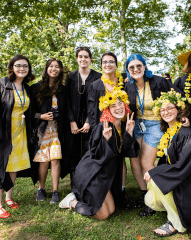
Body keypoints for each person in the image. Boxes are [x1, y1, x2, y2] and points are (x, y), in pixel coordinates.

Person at [143, 89, 191, 237]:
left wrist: (155, 172)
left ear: (179, 110)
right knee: (150, 198)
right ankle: (175, 210)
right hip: (180, 178)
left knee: (156, 179)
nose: (166, 112)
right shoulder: (169, 134)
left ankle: (176, 222)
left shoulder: (187, 134)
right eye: (162, 109)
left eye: (170, 108)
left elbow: (185, 165)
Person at [59, 89, 139, 220]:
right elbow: (96, 156)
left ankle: (80, 197)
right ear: (107, 110)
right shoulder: (102, 128)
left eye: (120, 104)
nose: (118, 108)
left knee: (111, 210)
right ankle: (72, 202)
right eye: (113, 105)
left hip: (106, 176)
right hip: (93, 175)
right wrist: (106, 141)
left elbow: (128, 153)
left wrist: (129, 133)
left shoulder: (125, 126)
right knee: (103, 215)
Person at [123, 53, 182, 216]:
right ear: (128, 70)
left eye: (138, 66)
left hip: (156, 123)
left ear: (144, 66)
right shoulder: (128, 85)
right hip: (137, 125)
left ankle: (159, 198)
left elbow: (177, 97)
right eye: (131, 67)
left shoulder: (159, 81)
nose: (136, 69)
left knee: (146, 162)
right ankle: (145, 196)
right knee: (134, 161)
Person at [0, 54, 36, 219]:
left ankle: (8, 197)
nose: (22, 68)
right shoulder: (0, 85)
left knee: (14, 165)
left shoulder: (26, 88)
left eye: (25, 66)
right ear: (12, 67)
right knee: (1, 167)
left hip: (20, 133)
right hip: (2, 134)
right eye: (18, 65)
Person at [87, 52, 129, 208]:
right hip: (105, 128)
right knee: (107, 159)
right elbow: (91, 110)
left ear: (116, 65)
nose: (108, 64)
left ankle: (121, 192)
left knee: (120, 158)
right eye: (105, 62)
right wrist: (95, 130)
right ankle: (107, 191)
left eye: (111, 61)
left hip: (122, 125)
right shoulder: (95, 85)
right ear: (101, 65)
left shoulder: (124, 81)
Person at [29, 58, 67, 204]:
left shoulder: (63, 89)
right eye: (51, 66)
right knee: (43, 161)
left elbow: (67, 109)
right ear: (46, 69)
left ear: (60, 70)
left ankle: (56, 191)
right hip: (42, 130)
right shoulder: (35, 88)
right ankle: (41, 188)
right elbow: (29, 112)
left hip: (57, 130)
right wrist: (41, 116)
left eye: (57, 66)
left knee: (55, 160)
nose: (54, 68)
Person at [62, 47, 102, 185]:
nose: (83, 59)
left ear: (90, 59)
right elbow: (66, 100)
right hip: (73, 120)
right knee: (73, 152)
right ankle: (75, 184)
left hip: (91, 120)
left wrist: (88, 121)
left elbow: (98, 101)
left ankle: (88, 182)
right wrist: (72, 121)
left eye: (86, 56)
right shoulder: (70, 77)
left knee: (88, 151)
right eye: (80, 56)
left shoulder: (98, 77)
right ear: (77, 59)